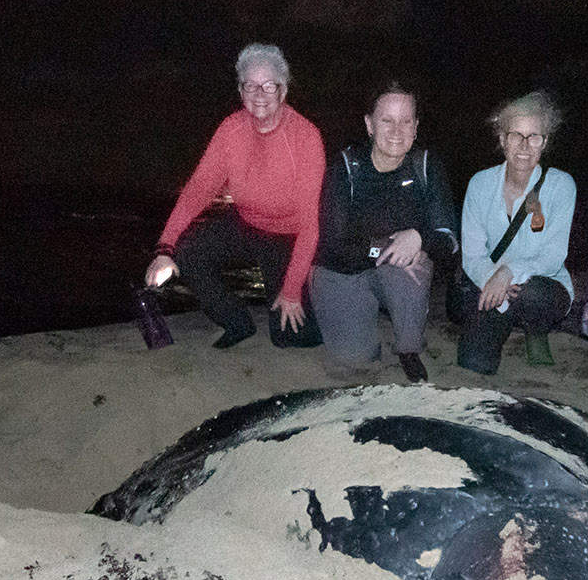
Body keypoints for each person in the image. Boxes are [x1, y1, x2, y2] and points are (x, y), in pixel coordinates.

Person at [143, 43, 323, 349]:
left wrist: (291, 289)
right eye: (250, 86)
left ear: (283, 90)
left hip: (289, 236)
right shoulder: (230, 130)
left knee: (291, 337)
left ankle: (319, 293)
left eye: (268, 86)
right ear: (240, 91)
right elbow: (197, 190)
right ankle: (236, 321)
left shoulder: (306, 137)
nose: (259, 94)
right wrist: (165, 248)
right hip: (246, 223)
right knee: (188, 251)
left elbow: (310, 224)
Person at [310, 82, 458, 383]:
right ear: (369, 125)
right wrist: (388, 246)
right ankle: (355, 324)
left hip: (394, 269)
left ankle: (408, 347)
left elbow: (450, 240)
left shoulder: (426, 165)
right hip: (341, 271)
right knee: (354, 357)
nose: (396, 130)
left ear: (416, 128)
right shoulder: (345, 167)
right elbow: (333, 247)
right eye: (386, 120)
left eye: (406, 121)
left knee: (416, 259)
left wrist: (420, 238)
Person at [456, 91, 576, 375]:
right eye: (515, 135)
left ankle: (536, 330)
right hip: (491, 285)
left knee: (532, 294)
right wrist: (492, 278)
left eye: (534, 136)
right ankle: (503, 320)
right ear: (502, 140)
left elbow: (553, 257)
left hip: (540, 286)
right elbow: (472, 255)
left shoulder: (561, 185)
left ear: (545, 142)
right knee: (474, 364)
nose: (524, 145)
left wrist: (508, 272)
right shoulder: (479, 184)